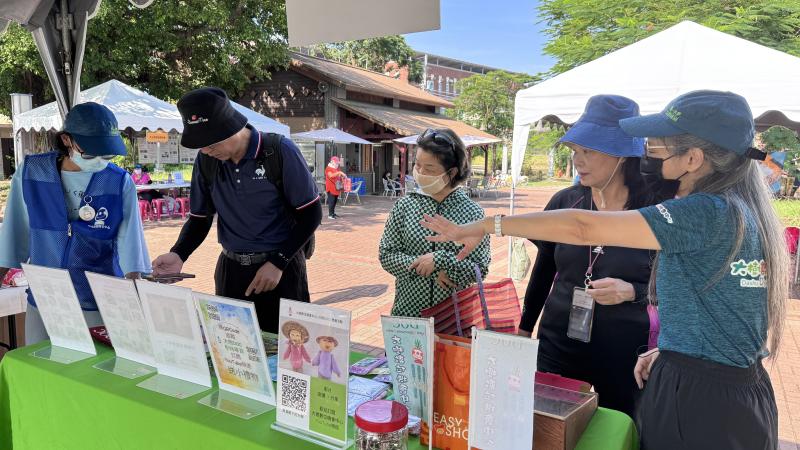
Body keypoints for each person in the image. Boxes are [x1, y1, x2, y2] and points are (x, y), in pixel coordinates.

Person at [421, 90, 786, 449]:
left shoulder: (703, 212)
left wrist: (488, 225)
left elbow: (584, 227)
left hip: (701, 404)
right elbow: (720, 313)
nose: (650, 150)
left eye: (660, 142)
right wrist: (673, 351)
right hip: (723, 389)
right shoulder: (735, 211)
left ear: (692, 158)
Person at [518, 95, 659, 417]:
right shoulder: (566, 202)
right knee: (548, 423)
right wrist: (526, 327)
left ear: (622, 155)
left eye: (589, 151)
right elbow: (543, 270)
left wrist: (634, 291)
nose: (578, 161)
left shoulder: (654, 207)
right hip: (558, 340)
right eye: (575, 151)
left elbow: (681, 279)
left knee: (620, 425)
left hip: (625, 347)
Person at [151, 87, 321, 333]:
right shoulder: (208, 161)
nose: (205, 149)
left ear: (230, 127)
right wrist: (179, 253)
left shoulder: (279, 151)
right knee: (234, 350)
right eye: (200, 145)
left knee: (289, 351)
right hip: (231, 271)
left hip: (280, 270)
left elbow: (311, 214)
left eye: (210, 142)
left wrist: (278, 262)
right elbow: (200, 219)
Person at [0, 102, 151, 344]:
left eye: (107, 154)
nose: (99, 161)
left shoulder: (118, 181)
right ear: (67, 140)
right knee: (40, 371)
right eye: (91, 153)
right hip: (44, 297)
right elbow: (15, 230)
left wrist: (135, 289)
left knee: (91, 374)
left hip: (97, 300)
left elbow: (130, 239)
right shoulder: (31, 173)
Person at [379, 128, 490, 317]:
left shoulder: (473, 213)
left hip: (454, 317)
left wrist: (441, 261)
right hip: (408, 313)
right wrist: (427, 267)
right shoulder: (405, 205)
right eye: (417, 165)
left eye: (429, 168)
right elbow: (387, 254)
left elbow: (479, 268)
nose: (420, 172)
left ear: (452, 172)